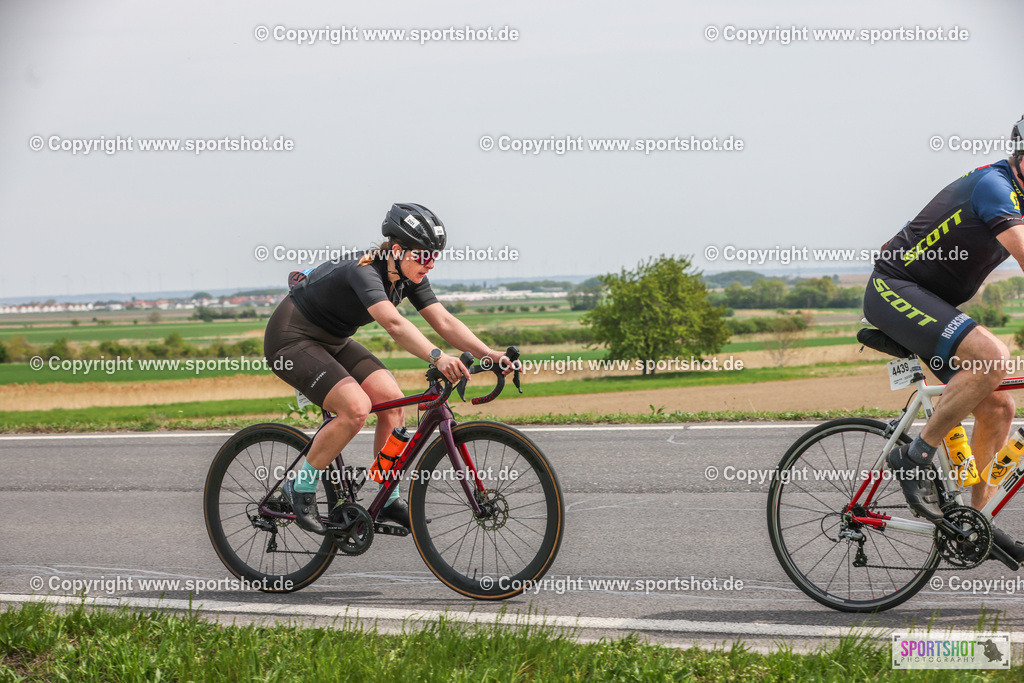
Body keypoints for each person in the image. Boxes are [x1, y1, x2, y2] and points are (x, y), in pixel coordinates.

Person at [263, 203, 513, 534]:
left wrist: (489, 354)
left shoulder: (409, 276)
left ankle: (387, 497)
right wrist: (438, 357)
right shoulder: (364, 269)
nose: (431, 263)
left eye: (435, 256)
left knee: (394, 407)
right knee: (355, 409)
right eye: (424, 255)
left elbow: (444, 321)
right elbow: (394, 324)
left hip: (333, 341)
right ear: (397, 249)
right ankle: (299, 486)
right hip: (291, 341)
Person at [863, 116, 1024, 563]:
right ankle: (914, 456)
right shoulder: (995, 186)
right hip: (894, 288)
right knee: (993, 358)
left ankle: (975, 527)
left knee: (999, 407)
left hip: (933, 300)